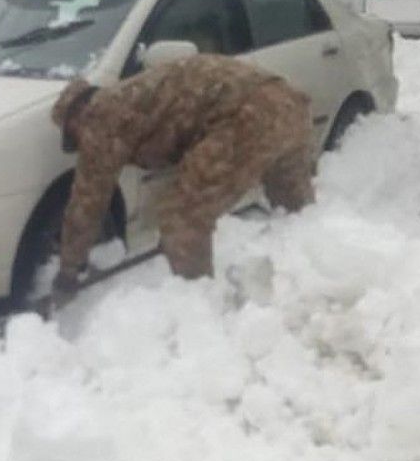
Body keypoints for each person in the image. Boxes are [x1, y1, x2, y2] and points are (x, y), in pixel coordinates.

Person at [50, 55, 314, 295]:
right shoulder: (136, 95)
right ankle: (316, 281)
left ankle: (198, 309)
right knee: (296, 211)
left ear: (76, 117)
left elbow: (88, 201)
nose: (80, 144)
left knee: (181, 217)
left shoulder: (100, 116)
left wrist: (69, 269)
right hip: (289, 104)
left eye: (73, 136)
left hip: (249, 117)